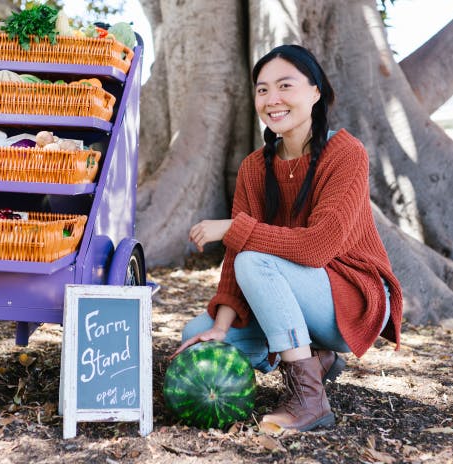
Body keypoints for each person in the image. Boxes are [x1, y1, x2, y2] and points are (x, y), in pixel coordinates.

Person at [172, 44, 403, 432]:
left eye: (285, 86)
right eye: (262, 90)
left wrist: (232, 228)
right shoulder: (253, 168)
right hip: (289, 295)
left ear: (316, 93)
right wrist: (221, 323)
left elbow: (316, 248)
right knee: (197, 336)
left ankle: (308, 399)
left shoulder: (345, 154)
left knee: (254, 258)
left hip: (351, 297)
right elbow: (234, 261)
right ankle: (315, 358)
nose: (272, 99)